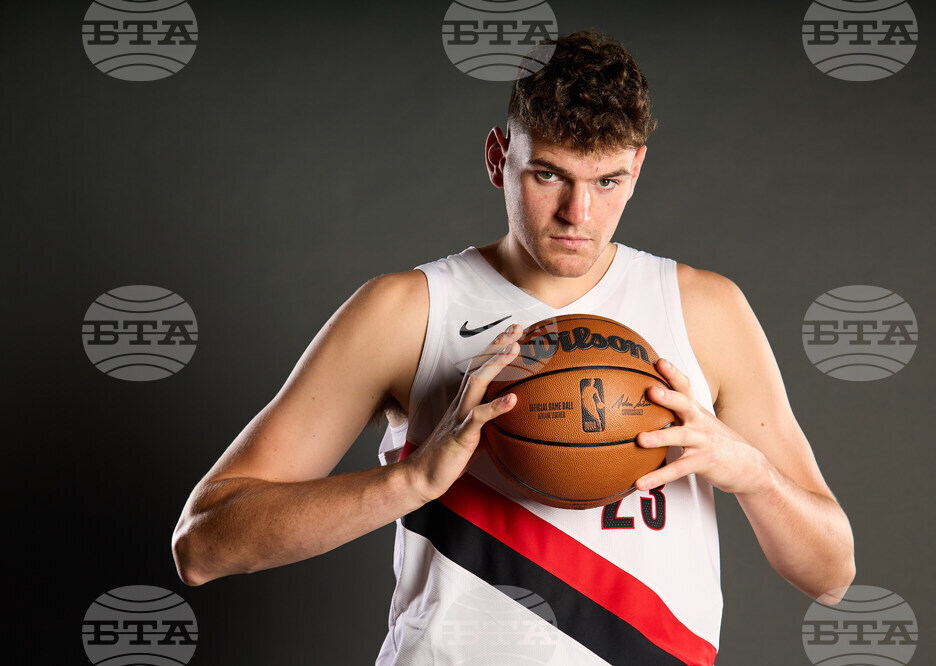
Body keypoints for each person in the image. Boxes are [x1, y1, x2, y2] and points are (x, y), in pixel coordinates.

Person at [172, 30, 854, 665]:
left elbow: (831, 574)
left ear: (637, 167)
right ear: (500, 157)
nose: (578, 215)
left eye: (607, 182)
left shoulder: (706, 311)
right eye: (548, 175)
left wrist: (751, 473)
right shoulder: (406, 311)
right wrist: (413, 480)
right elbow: (202, 546)